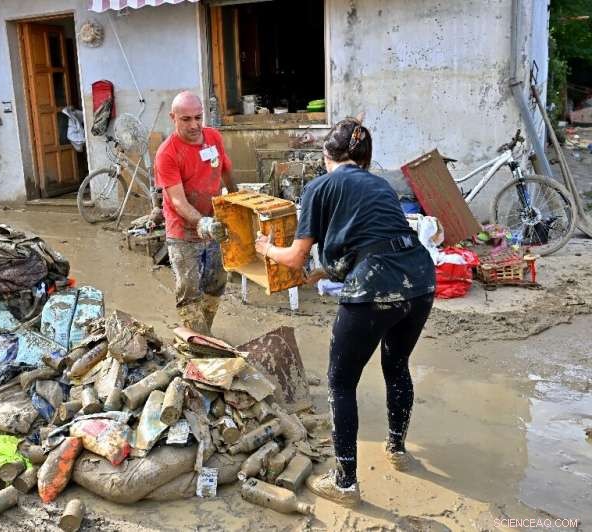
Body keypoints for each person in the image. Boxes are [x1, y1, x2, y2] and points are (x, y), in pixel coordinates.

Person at [254, 116, 436, 507]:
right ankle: (397, 449)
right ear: (365, 159)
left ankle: (345, 484)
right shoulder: (380, 186)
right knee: (397, 365)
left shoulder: (320, 187)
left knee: (341, 382)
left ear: (326, 154)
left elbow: (295, 257)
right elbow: (372, 242)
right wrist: (323, 272)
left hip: (375, 284)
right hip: (420, 279)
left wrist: (266, 249)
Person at [155, 91, 237, 335]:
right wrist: (203, 223)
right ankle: (198, 343)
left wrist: (238, 202)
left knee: (217, 282)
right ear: (173, 118)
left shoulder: (213, 138)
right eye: (186, 119)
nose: (194, 125)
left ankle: (204, 334)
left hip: (215, 225)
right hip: (184, 231)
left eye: (198, 118)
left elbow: (226, 171)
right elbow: (177, 201)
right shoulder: (167, 153)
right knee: (189, 290)